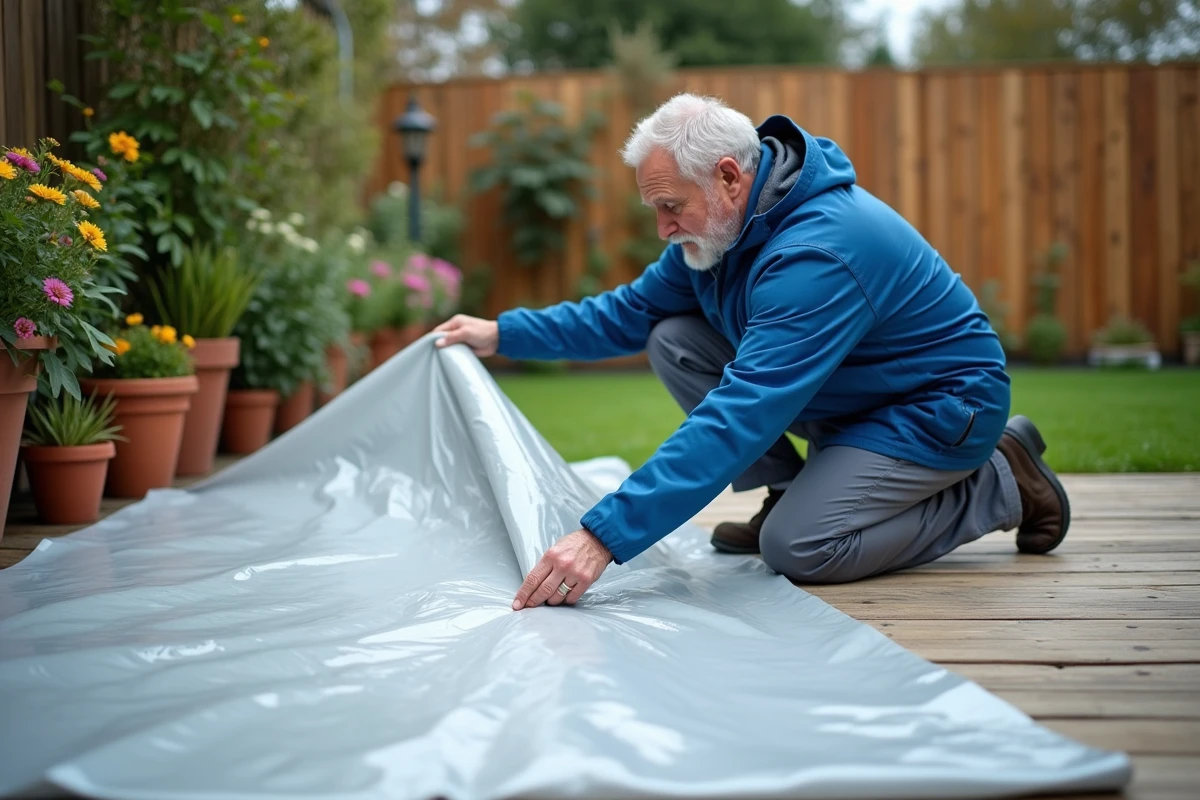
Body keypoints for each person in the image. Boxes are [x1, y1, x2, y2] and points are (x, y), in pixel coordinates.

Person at [434, 93, 1070, 611]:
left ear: (730, 177)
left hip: (935, 411)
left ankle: (1000, 480)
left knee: (799, 549)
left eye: (669, 206)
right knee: (674, 339)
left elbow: (742, 412)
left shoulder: (818, 255)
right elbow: (631, 314)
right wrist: (502, 333)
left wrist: (601, 537)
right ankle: (785, 493)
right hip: (851, 395)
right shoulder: (718, 233)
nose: (663, 228)